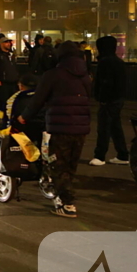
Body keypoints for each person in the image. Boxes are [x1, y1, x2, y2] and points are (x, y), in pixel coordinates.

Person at [19, 41, 92, 218]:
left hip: (61, 127)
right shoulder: (85, 76)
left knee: (58, 165)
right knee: (71, 165)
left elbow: (38, 100)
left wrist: (24, 117)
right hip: (81, 127)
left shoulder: (53, 74)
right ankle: (66, 197)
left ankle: (67, 204)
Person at [89, 35, 129, 167]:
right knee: (115, 127)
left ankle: (100, 156)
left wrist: (101, 97)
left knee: (104, 128)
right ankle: (122, 154)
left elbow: (105, 83)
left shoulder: (105, 62)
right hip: (117, 98)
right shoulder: (118, 62)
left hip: (108, 100)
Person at [0, 33, 20, 116]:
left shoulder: (11, 54)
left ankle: (8, 119)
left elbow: (14, 67)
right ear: (1, 44)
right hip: (2, 82)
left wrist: (18, 79)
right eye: (6, 42)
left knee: (12, 101)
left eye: (9, 42)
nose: (8, 44)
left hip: (13, 81)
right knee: (3, 101)